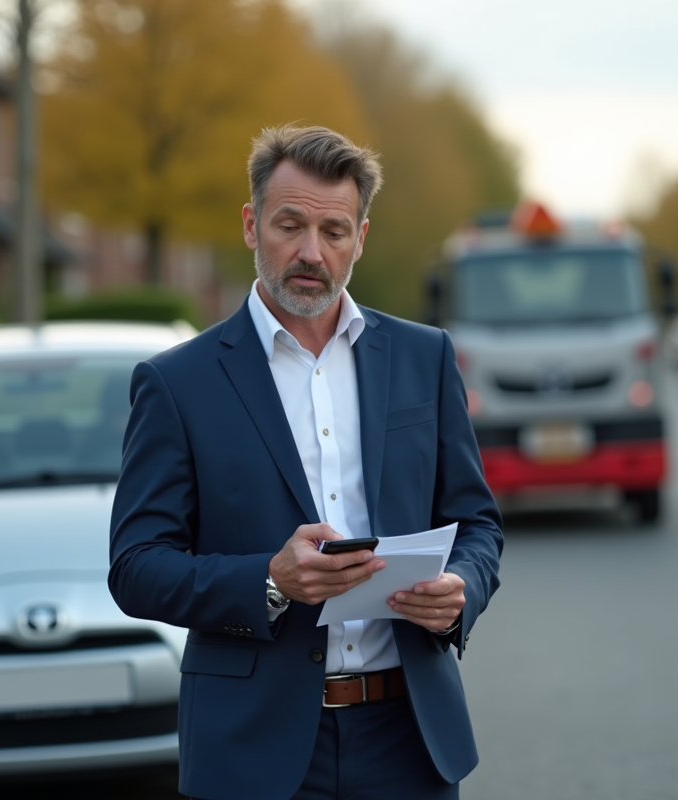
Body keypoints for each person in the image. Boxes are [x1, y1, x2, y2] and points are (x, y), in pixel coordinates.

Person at [109, 125, 504, 800]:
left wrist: (460, 592)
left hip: (409, 740)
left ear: (361, 238)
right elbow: (137, 566)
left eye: (334, 231)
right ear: (251, 224)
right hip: (251, 748)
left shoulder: (423, 358)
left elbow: (476, 523)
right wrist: (270, 580)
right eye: (289, 225)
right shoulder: (177, 382)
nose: (310, 252)